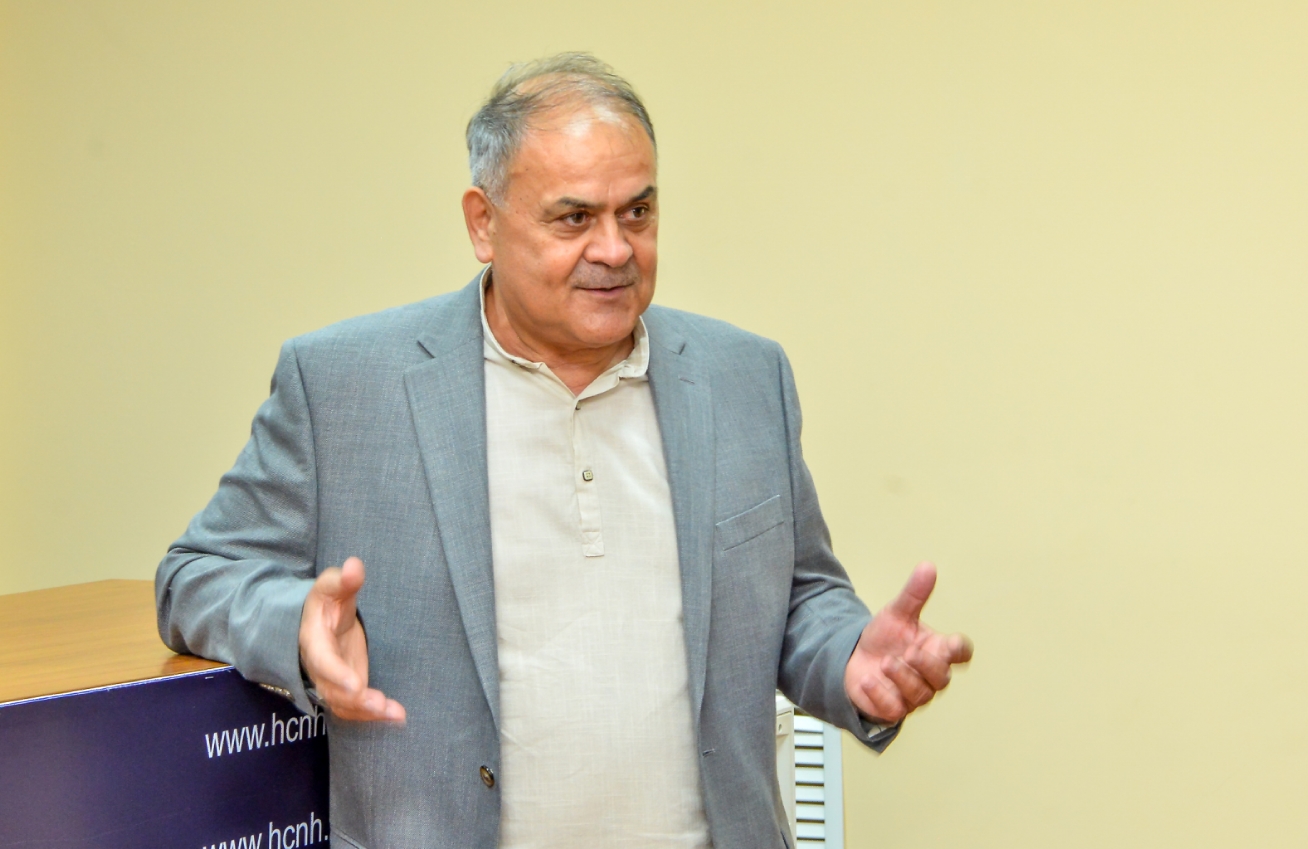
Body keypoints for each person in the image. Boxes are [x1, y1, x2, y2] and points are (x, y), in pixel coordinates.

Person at [156, 53, 973, 849]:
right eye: (574, 218)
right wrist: (296, 626)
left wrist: (851, 657)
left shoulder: (744, 377)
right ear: (483, 223)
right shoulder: (343, 385)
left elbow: (797, 597)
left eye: (638, 213)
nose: (615, 249)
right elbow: (196, 574)